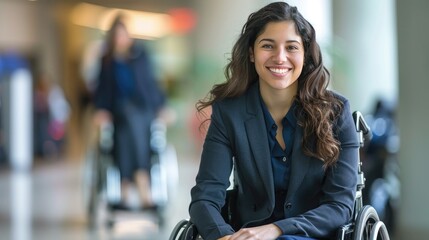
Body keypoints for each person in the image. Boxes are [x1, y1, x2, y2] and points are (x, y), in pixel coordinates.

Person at [189, 2, 359, 240]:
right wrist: (223, 236)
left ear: (305, 53)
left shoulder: (336, 113)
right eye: (268, 45)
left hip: (312, 234)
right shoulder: (229, 113)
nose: (280, 58)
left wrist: (277, 229)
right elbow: (205, 196)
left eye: (291, 47)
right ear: (251, 52)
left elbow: (339, 206)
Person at [93, 14, 166, 210]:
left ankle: (125, 189)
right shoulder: (107, 61)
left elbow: (151, 83)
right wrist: (100, 110)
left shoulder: (140, 56)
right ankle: (143, 186)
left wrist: (162, 107)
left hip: (143, 108)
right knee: (127, 120)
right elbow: (102, 90)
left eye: (123, 35)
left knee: (129, 130)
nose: (120, 40)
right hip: (119, 110)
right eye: (116, 36)